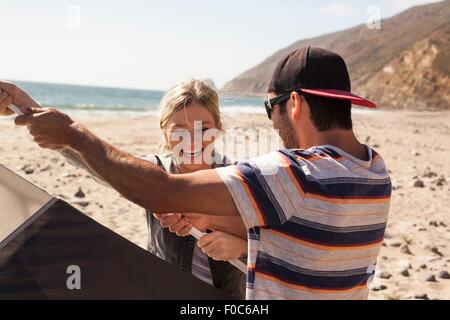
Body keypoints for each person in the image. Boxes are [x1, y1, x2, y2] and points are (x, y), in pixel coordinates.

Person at [0, 46, 392, 300]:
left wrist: (230, 240)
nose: (273, 125)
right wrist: (30, 111)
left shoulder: (287, 175)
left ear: (292, 105)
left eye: (269, 109)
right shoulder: (375, 173)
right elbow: (297, 241)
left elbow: (164, 190)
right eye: (180, 129)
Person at [0, 80, 247, 299]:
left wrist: (239, 244)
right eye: (179, 129)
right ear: (164, 130)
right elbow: (92, 158)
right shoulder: (152, 172)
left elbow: (274, 245)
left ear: (218, 127)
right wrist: (23, 104)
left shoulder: (240, 177)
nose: (191, 139)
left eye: (203, 128)